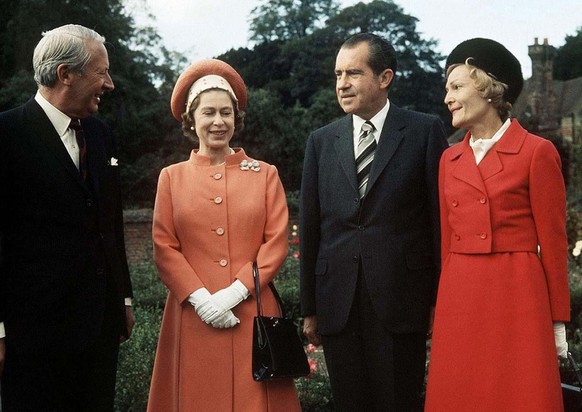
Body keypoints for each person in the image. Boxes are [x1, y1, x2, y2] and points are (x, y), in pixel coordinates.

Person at [300, 33, 448, 411]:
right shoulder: (321, 141)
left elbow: (439, 222)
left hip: (402, 301)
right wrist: (309, 307)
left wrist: (438, 299)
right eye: (337, 74)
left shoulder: (423, 131)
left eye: (353, 73)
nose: (342, 84)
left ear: (384, 78)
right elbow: (312, 226)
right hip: (337, 303)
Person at [147, 59, 301, 412]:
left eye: (227, 113)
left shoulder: (264, 174)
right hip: (192, 316)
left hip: (251, 311)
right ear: (191, 119)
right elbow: (164, 246)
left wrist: (235, 291)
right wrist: (202, 300)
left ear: (237, 117)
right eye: (208, 113)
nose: (218, 122)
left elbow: (276, 241)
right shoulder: (171, 177)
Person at [424, 38, 570, 411]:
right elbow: (446, 248)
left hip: (518, 294)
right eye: (447, 90)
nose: (447, 98)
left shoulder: (537, 152)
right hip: (460, 296)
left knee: (519, 394)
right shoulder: (449, 160)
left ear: (489, 89)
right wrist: (442, 310)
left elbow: (554, 245)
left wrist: (557, 323)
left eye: (456, 87)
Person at [0, 24, 134, 411]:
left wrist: (122, 296)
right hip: (32, 336)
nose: (108, 84)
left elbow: (111, 223)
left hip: (99, 326)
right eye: (101, 72)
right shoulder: (6, 134)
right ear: (65, 74)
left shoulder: (102, 134)